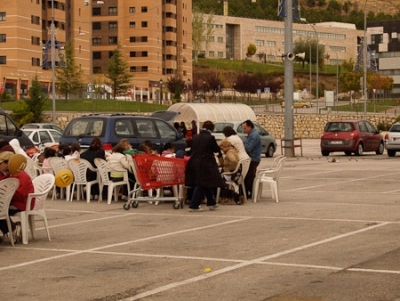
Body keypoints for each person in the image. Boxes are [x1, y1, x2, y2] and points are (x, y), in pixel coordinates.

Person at [185, 120, 224, 212]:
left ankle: (211, 203)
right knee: (201, 183)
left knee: (206, 182)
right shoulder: (210, 138)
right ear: (212, 129)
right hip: (205, 163)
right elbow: (215, 149)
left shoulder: (195, 137)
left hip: (194, 161)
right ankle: (193, 205)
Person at [0, 147, 34, 244]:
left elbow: (20, 195)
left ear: (8, 163)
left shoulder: (20, 174)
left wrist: (6, 194)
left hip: (22, 204)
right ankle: (11, 228)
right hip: (10, 202)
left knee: (1, 210)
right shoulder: (7, 174)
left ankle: (13, 228)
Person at [219, 139, 242, 205]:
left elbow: (234, 161)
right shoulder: (233, 151)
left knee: (216, 180)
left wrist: (231, 170)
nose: (221, 150)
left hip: (229, 174)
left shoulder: (229, 153)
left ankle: (224, 196)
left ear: (226, 147)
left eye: (222, 148)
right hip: (237, 174)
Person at [242, 120, 262, 200]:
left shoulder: (253, 136)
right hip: (253, 158)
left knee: (249, 176)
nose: (244, 130)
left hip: (253, 158)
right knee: (249, 175)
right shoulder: (251, 134)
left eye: (245, 128)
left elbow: (248, 148)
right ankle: (250, 191)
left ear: (250, 127)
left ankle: (251, 192)